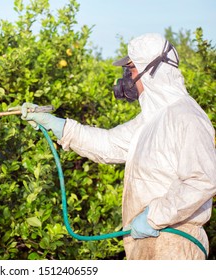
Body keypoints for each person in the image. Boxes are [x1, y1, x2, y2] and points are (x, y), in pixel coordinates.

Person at [18, 33, 216, 259]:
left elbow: (202, 180)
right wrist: (60, 126)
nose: (127, 79)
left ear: (151, 71)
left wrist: (155, 216)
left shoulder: (186, 117)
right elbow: (108, 144)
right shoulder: (151, 120)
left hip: (175, 243)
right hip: (149, 242)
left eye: (131, 71)